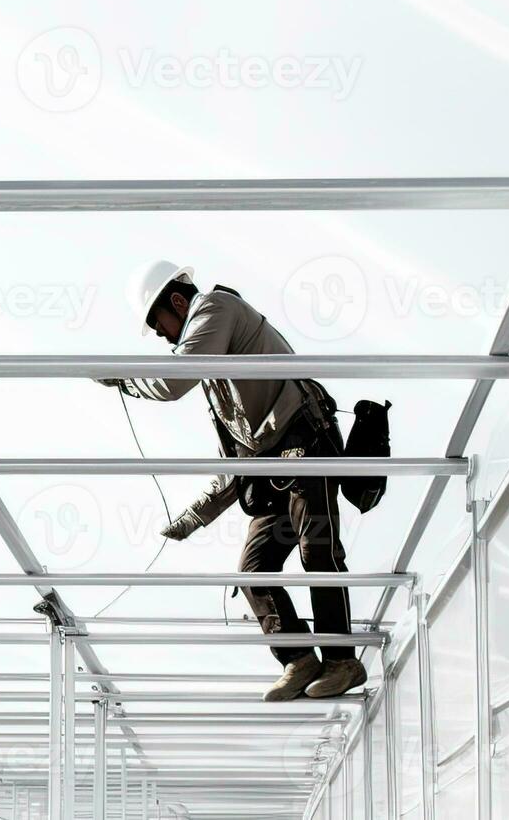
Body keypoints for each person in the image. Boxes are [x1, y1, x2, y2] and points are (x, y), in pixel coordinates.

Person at [97, 260, 367, 701]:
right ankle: (300, 660)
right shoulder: (218, 376)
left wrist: (124, 380)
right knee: (254, 572)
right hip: (272, 471)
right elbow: (236, 462)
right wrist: (191, 518)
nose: (164, 336)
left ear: (178, 302)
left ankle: (342, 661)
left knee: (316, 548)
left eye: (159, 323)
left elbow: (169, 383)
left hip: (302, 449)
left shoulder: (216, 308)